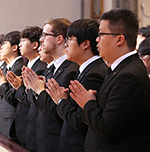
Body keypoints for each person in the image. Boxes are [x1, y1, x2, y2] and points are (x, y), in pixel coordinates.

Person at [68, 8, 150, 151]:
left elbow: (107, 128)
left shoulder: (129, 75)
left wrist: (87, 103)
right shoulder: (120, 69)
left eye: (101, 34)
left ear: (119, 39)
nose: (97, 40)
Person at [44, 19, 108, 151]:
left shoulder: (93, 74)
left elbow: (80, 122)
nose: (66, 45)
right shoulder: (85, 69)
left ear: (85, 44)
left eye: (70, 40)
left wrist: (60, 100)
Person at [22, 18, 79, 152]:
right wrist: (33, 88)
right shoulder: (50, 68)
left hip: (55, 142)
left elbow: (58, 111)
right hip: (40, 139)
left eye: (45, 35)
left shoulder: (71, 69)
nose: (41, 39)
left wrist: (40, 90)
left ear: (59, 39)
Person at [6, 26, 47, 149]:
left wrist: (19, 87)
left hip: (32, 126)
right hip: (23, 124)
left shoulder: (40, 67)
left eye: (23, 40)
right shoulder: (27, 65)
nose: (19, 44)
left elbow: (31, 100)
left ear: (35, 45)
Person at [0, 31, 27, 141]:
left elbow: (12, 97)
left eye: (4, 44)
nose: (1, 49)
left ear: (14, 48)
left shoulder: (19, 67)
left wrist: (2, 83)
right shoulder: (8, 66)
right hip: (2, 117)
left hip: (10, 120)